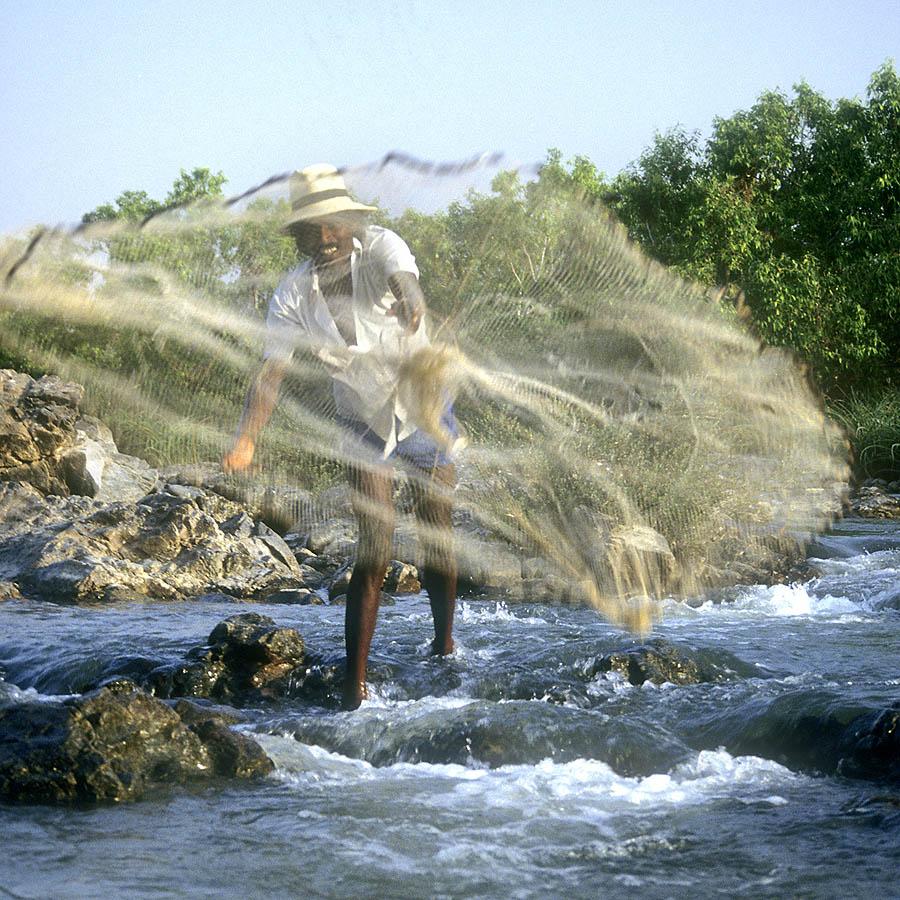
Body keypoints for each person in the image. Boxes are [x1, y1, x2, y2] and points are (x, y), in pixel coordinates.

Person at [222, 164, 458, 710]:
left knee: (437, 530)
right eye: (313, 230)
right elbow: (270, 372)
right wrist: (247, 439)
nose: (325, 238)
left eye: (333, 226)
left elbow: (408, 283)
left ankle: (444, 645)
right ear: (301, 237)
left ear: (350, 223)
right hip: (359, 417)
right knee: (374, 547)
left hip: (420, 400)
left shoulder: (380, 247)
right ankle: (356, 687)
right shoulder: (291, 294)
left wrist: (412, 304)